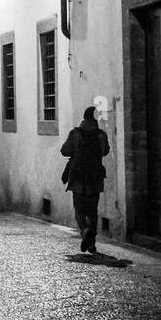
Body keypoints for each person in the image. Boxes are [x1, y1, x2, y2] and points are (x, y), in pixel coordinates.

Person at [60, 106, 110, 254]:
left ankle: (84, 230)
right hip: (95, 178)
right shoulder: (101, 135)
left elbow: (64, 151)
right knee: (93, 211)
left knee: (79, 210)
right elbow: (105, 151)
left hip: (78, 177)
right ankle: (92, 244)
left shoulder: (75, 133)